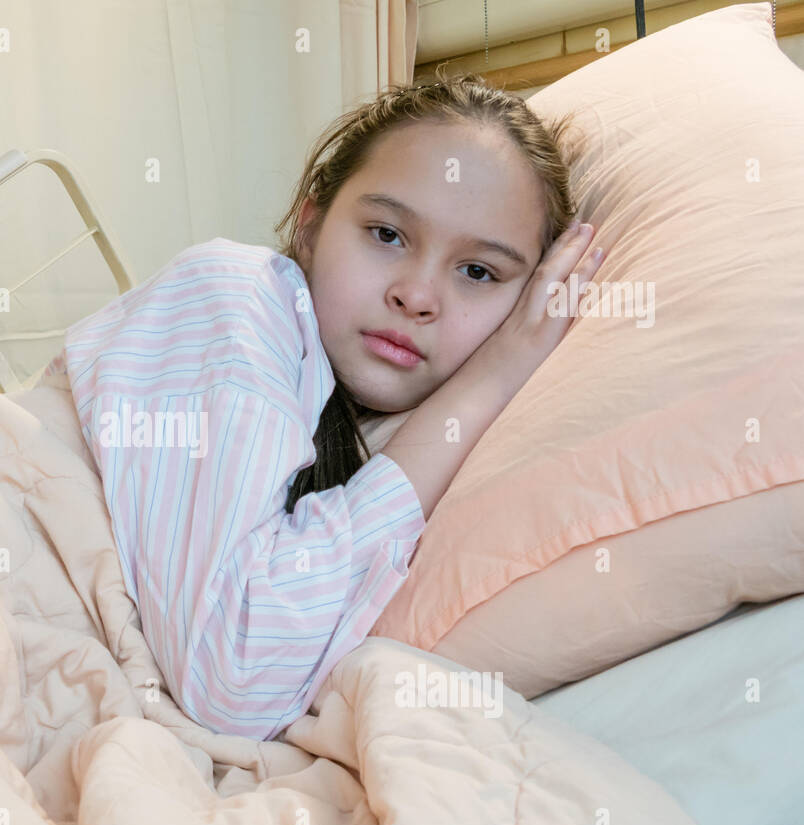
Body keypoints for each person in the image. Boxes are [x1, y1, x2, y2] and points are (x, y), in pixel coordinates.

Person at [60, 74, 607, 741]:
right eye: (386, 234)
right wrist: (490, 379)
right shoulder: (238, 297)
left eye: (478, 272)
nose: (416, 294)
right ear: (311, 226)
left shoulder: (365, 427)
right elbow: (234, 676)